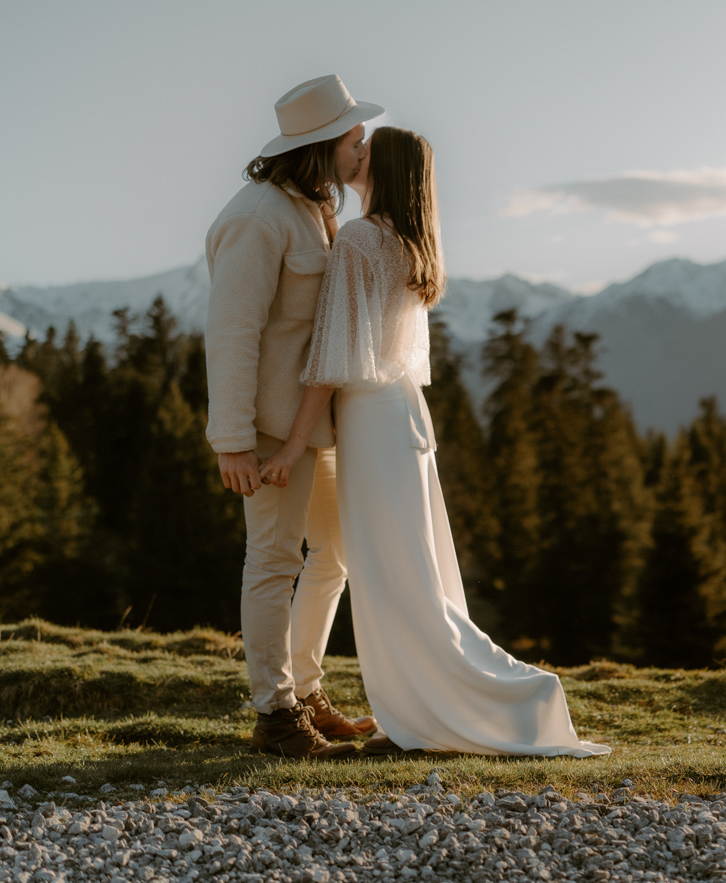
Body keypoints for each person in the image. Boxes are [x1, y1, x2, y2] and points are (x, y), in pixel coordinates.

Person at [259, 126, 609, 758]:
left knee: (392, 577)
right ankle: (429, 707)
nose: (353, 156)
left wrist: (289, 447)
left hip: (369, 420)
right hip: (403, 415)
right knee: (412, 573)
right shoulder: (407, 242)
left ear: (385, 170)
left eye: (365, 153)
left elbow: (327, 364)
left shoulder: (362, 240)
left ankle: (432, 714)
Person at [204, 74, 381, 760]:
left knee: (333, 554)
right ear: (323, 145)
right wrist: (233, 440)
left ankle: (306, 690)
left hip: (319, 425)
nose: (361, 149)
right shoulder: (257, 217)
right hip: (272, 429)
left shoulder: (311, 209)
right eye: (354, 139)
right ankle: (275, 715)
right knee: (275, 559)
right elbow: (233, 333)